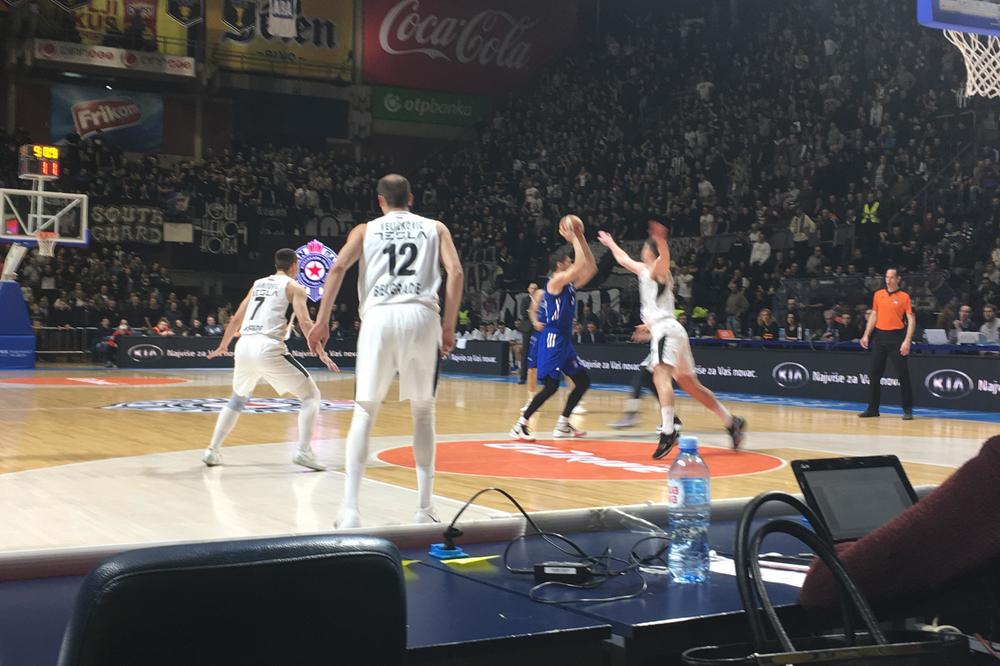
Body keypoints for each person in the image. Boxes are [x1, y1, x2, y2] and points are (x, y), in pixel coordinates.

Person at [307, 174, 464, 529]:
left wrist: (321, 321)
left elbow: (335, 268)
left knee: (364, 412)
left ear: (380, 201)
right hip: (423, 316)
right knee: (423, 413)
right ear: (411, 197)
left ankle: (350, 510)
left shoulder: (364, 230)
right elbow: (454, 271)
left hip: (379, 317)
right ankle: (424, 509)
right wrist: (449, 325)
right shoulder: (435, 227)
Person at [598, 222, 746, 458]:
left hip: (666, 329)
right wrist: (610, 243)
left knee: (660, 375)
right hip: (670, 330)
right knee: (691, 386)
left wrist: (662, 240)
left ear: (650, 252)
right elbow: (623, 259)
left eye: (646, 249)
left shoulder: (659, 269)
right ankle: (731, 421)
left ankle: (669, 429)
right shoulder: (643, 271)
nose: (641, 253)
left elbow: (664, 259)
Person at [202, 248, 338, 469]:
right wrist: (321, 352)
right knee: (311, 395)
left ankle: (211, 450)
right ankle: (304, 451)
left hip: (244, 345)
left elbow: (236, 317)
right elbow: (305, 323)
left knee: (237, 399)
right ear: (294, 266)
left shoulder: (258, 284)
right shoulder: (295, 287)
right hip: (268, 345)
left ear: (277, 265)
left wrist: (223, 345)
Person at [510, 215, 596, 442]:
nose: (571, 262)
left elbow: (591, 266)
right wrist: (574, 236)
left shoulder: (569, 283)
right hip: (552, 337)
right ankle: (521, 424)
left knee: (583, 381)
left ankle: (563, 423)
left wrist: (581, 238)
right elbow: (579, 266)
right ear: (560, 265)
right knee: (551, 386)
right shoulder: (555, 282)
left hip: (564, 340)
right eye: (568, 260)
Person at [859, 267, 915, 420]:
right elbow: (874, 315)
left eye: (891, 277)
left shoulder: (904, 297)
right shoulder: (878, 294)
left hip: (897, 337)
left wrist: (907, 340)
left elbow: (911, 319)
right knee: (874, 373)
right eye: (886, 277)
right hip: (880, 336)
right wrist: (866, 335)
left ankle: (907, 409)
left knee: (902, 374)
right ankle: (872, 408)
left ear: (898, 279)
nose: (888, 280)